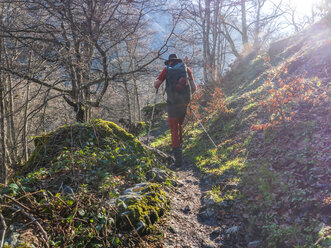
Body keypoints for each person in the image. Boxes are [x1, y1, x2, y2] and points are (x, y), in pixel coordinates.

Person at [154, 54, 196, 167]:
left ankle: (178, 160)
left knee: (174, 129)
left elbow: (156, 85)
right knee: (179, 125)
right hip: (183, 103)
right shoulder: (186, 69)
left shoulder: (166, 70)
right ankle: (180, 148)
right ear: (178, 60)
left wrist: (156, 81)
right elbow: (194, 88)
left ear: (169, 61)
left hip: (172, 104)